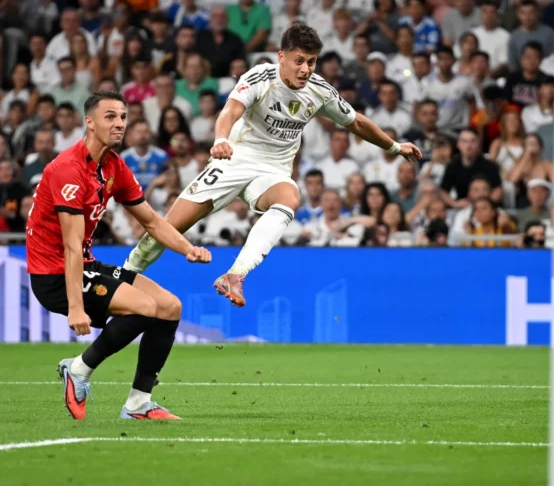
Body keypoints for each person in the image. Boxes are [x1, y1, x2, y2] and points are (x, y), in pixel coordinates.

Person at [124, 23, 423, 307]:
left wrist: (395, 147)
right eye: (299, 61)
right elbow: (230, 111)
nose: (306, 69)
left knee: (290, 197)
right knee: (169, 227)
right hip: (235, 160)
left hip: (273, 171)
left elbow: (356, 121)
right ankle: (124, 276)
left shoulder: (319, 90)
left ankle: (235, 275)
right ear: (282, 57)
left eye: (312, 62)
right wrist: (220, 139)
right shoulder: (260, 78)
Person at [26, 91, 211, 421]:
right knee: (145, 308)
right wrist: (75, 307)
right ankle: (79, 369)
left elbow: (152, 220)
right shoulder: (68, 170)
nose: (120, 123)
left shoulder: (113, 166)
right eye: (110, 116)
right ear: (90, 123)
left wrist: (188, 249)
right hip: (54, 275)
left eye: (123, 116)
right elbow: (70, 246)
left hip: (85, 265)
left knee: (169, 307)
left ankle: (138, 403)